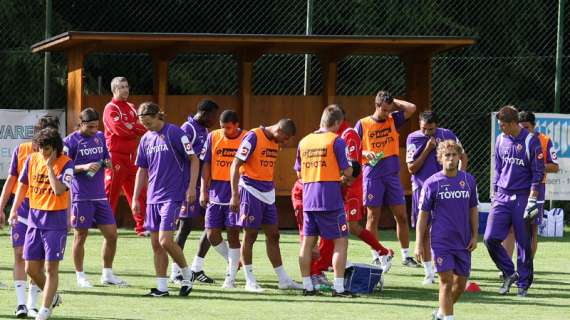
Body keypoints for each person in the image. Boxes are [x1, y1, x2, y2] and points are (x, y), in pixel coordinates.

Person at [131, 102, 199, 297]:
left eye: (148, 122)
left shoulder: (175, 133)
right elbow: (142, 169)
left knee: (165, 240)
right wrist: (136, 198)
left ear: (158, 116)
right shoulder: (145, 139)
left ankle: (187, 275)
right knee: (156, 244)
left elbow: (194, 159)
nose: (146, 126)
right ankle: (162, 288)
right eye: (143, 123)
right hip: (153, 197)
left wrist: (192, 187)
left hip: (173, 195)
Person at [229, 118, 302, 292]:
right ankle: (250, 280)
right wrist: (234, 194)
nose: (284, 143)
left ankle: (284, 280)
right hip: (250, 189)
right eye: (284, 139)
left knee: (274, 235)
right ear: (280, 131)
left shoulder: (275, 141)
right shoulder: (253, 136)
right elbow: (235, 164)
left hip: (268, 192)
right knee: (250, 235)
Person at [9, 127, 74, 320]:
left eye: (47, 149)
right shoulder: (32, 159)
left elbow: (59, 190)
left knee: (51, 268)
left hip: (55, 221)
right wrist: (14, 209)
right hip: (34, 220)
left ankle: (44, 311)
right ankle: (52, 296)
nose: (42, 153)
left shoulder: (67, 164)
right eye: (40, 149)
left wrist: (49, 167)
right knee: (31, 269)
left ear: (55, 148)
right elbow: (23, 186)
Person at [0, 116, 59, 318]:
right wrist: (2, 207)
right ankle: (21, 304)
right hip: (23, 211)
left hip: (45, 213)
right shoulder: (23, 150)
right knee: (19, 254)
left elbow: (64, 188)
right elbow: (13, 181)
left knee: (37, 262)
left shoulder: (60, 156)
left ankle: (34, 303)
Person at [415, 140, 479, 320]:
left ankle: (441, 313)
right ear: (440, 159)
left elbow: (473, 209)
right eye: (447, 156)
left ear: (460, 157)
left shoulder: (468, 180)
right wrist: (419, 243)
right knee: (445, 282)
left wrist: (475, 236)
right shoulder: (431, 183)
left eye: (454, 155)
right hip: (441, 241)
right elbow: (423, 216)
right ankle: (449, 317)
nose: (451, 159)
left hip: (464, 241)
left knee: (460, 285)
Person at [484, 105, 544, 297]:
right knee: (490, 238)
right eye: (499, 125)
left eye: (503, 125)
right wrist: (494, 193)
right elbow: (498, 168)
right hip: (502, 195)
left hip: (522, 196)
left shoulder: (530, 140)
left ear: (513, 123)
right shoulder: (501, 139)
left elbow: (538, 172)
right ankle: (510, 273)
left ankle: (523, 285)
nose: (501, 129)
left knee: (524, 243)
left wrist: (533, 199)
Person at [296, 105, 355, 297]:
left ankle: (307, 286)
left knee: (307, 242)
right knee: (341, 241)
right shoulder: (336, 141)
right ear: (337, 123)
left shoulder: (304, 141)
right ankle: (338, 288)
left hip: (308, 197)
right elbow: (347, 171)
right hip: (329, 197)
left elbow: (298, 172)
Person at [355, 90, 419, 267]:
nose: (386, 113)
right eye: (383, 109)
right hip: (372, 175)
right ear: (376, 106)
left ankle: (406, 256)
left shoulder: (393, 119)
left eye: (388, 109)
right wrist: (366, 154)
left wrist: (393, 102)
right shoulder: (363, 124)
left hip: (391, 175)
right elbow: (351, 150)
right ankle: (375, 254)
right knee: (372, 217)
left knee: (401, 216)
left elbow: (412, 108)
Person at [63, 108, 126, 288]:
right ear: (81, 124)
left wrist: (107, 163)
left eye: (96, 126)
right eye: (90, 127)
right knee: (81, 235)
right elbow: (64, 168)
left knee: (112, 235)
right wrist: (83, 167)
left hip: (100, 196)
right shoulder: (70, 141)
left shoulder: (100, 137)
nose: (94, 130)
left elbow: (107, 159)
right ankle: (80, 276)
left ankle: (107, 274)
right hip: (81, 196)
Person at [406, 111, 468, 284]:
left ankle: (454, 269)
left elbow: (463, 156)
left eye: (431, 129)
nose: (427, 132)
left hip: (446, 190)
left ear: (437, 126)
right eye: (424, 128)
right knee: (424, 230)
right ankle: (428, 272)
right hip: (423, 188)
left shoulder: (448, 135)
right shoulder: (413, 138)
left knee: (447, 229)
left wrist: (459, 177)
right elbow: (411, 168)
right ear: (419, 124)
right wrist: (427, 149)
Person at [171, 100, 220, 284]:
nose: (215, 120)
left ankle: (196, 268)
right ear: (204, 113)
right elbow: (179, 156)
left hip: (203, 185)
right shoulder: (188, 129)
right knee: (185, 228)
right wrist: (186, 186)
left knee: (211, 225)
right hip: (188, 185)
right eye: (214, 116)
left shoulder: (205, 131)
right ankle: (175, 271)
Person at [502, 111, 559, 260]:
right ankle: (506, 268)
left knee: (531, 229)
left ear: (534, 126)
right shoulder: (510, 139)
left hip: (536, 189)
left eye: (527, 127)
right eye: (521, 127)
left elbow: (554, 167)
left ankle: (527, 265)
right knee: (510, 227)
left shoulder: (544, 140)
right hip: (514, 189)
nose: (524, 130)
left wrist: (535, 165)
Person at [200, 110, 245, 289]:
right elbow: (206, 164)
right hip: (216, 191)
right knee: (211, 233)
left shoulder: (247, 137)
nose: (225, 131)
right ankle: (233, 260)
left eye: (228, 127)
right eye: (222, 127)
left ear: (236, 125)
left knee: (233, 234)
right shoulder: (213, 136)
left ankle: (230, 278)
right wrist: (204, 189)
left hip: (237, 191)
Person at [103, 76, 147, 236]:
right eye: (121, 87)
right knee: (111, 193)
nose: (125, 89)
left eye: (127, 86)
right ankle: (105, 225)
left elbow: (143, 128)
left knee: (139, 191)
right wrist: (133, 129)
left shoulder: (131, 107)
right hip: (115, 156)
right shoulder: (111, 108)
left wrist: (132, 127)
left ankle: (142, 227)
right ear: (114, 89)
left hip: (131, 157)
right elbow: (118, 129)